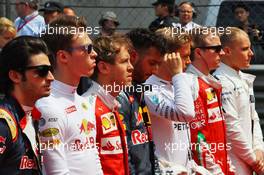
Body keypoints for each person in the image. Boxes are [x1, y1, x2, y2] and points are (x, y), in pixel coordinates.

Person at [35, 15, 103, 175]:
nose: (94, 54)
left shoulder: (83, 101)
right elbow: (56, 173)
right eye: (87, 48)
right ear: (63, 56)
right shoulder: (48, 106)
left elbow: (94, 158)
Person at [144, 27, 212, 175]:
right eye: (185, 56)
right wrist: (177, 74)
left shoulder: (179, 82)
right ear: (167, 57)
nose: (189, 61)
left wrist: (193, 166)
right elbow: (185, 114)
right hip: (165, 170)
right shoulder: (149, 89)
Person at [213, 27, 264, 175]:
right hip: (233, 164)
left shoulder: (242, 78)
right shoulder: (221, 81)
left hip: (251, 160)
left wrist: (259, 150)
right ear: (227, 51)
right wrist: (254, 159)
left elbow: (253, 118)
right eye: (245, 49)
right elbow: (231, 126)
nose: (251, 53)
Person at [0, 36, 54, 174]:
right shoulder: (4, 124)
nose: (50, 77)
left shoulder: (32, 115)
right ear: (15, 76)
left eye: (50, 69)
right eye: (41, 71)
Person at [116, 28, 166, 174]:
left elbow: (149, 140)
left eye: (158, 64)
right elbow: (123, 153)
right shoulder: (119, 96)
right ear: (133, 57)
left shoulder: (140, 91)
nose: (155, 70)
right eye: (152, 63)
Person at [186, 28, 235, 174]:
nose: (222, 53)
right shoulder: (191, 83)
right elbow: (198, 139)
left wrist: (228, 166)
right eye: (216, 49)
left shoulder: (211, 82)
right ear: (199, 52)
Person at [82, 34, 133, 175]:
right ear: (103, 67)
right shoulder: (88, 107)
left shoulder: (112, 103)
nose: (131, 67)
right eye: (124, 62)